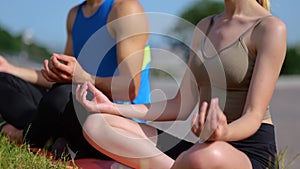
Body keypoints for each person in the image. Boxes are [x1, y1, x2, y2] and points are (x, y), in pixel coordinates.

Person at [76, 0, 286, 168]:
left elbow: (254, 115)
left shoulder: (270, 28)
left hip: (248, 152)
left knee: (205, 155)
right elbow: (180, 105)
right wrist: (113, 108)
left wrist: (223, 133)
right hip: (202, 149)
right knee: (97, 124)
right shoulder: (206, 25)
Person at [1, 0, 151, 160]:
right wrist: (10, 69)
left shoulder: (126, 10)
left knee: (61, 95)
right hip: (77, 103)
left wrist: (82, 77)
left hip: (115, 121)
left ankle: (26, 135)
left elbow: (129, 89)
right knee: (5, 81)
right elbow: (65, 78)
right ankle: (50, 133)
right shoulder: (74, 15)